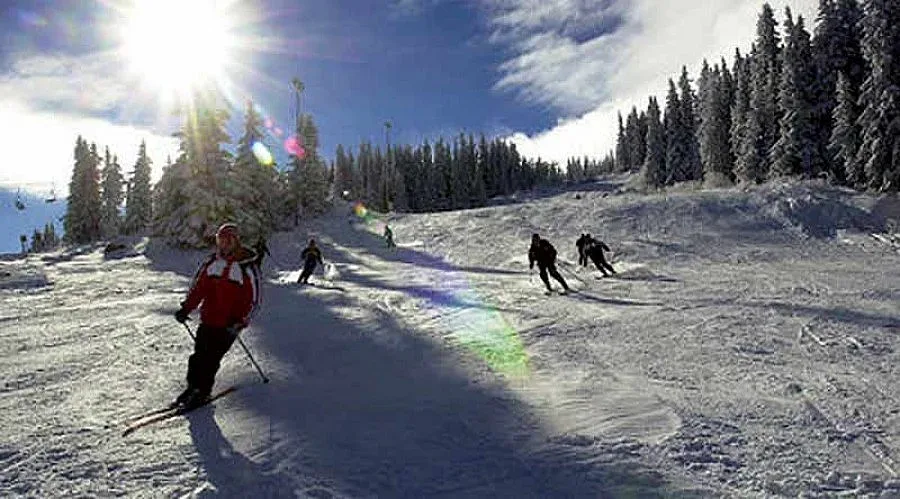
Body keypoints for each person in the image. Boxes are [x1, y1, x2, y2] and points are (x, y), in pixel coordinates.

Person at [174, 223, 260, 408]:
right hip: (209, 319)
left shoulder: (245, 267)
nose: (223, 245)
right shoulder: (212, 263)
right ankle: (193, 388)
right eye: (219, 241)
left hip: (229, 324)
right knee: (198, 356)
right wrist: (186, 309)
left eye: (227, 241)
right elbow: (199, 289)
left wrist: (240, 320)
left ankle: (203, 392)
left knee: (211, 358)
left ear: (235, 241)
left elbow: (254, 300)